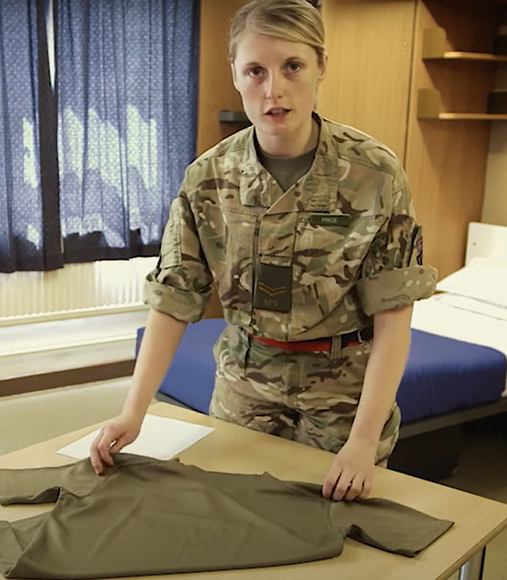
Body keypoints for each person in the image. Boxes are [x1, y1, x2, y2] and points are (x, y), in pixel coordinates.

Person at [90, 0, 436, 502]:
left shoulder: (374, 173)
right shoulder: (208, 178)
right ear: (235, 74)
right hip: (244, 382)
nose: (273, 89)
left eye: (292, 66)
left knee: (333, 539)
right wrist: (133, 410)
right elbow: (174, 298)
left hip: (343, 393)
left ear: (321, 67)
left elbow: (394, 314)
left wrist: (362, 441)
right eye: (255, 70)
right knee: (230, 518)